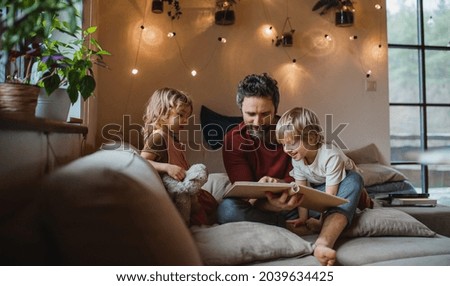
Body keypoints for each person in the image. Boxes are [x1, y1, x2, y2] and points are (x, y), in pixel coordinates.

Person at [216, 73, 363, 266]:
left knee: (352, 179)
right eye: (251, 114)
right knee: (226, 209)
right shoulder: (233, 140)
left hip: (302, 201)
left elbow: (313, 183)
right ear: (241, 109)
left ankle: (324, 241)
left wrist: (287, 190)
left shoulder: (292, 132)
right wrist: (270, 199)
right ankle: (296, 229)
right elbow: (247, 199)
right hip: (265, 208)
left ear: (276, 109)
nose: (258, 122)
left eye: (265, 114)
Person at [275, 107, 364, 237]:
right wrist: (303, 219)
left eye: (292, 143)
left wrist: (321, 222)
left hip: (343, 183)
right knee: (294, 200)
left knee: (353, 183)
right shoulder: (297, 158)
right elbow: (301, 190)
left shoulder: (330, 156)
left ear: (311, 138)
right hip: (322, 185)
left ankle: (359, 202)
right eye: (283, 144)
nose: (287, 150)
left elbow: (329, 198)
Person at [140, 87, 217, 226]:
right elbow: (142, 161)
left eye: (187, 117)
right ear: (162, 113)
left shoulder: (172, 138)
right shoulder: (158, 137)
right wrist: (167, 167)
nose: (185, 121)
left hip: (186, 188)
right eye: (180, 115)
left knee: (212, 203)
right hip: (177, 195)